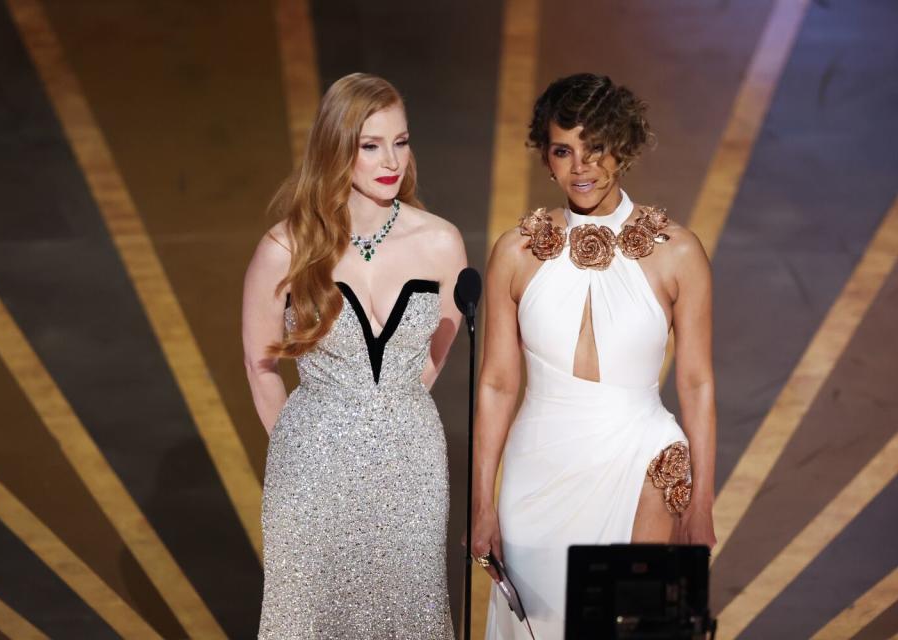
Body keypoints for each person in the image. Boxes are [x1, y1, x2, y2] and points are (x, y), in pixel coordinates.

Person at [471, 73, 717, 639]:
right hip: (537, 473)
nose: (581, 167)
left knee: (632, 629)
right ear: (547, 158)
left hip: (641, 459)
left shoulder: (676, 253)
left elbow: (698, 382)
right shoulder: (516, 253)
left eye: (596, 148)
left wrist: (701, 501)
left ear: (623, 148)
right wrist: (482, 504)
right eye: (564, 151)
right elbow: (497, 384)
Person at [242, 73, 466, 639]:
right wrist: (306, 447)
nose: (391, 159)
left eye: (401, 141)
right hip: (311, 476)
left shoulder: (441, 242)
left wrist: (389, 416)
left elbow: (437, 346)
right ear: (337, 148)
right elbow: (259, 364)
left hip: (412, 469)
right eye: (371, 145)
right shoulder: (284, 248)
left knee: (409, 616)